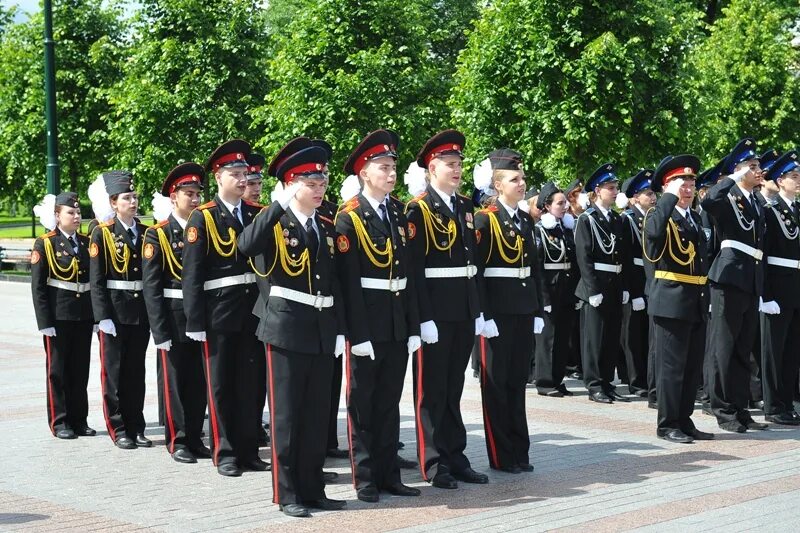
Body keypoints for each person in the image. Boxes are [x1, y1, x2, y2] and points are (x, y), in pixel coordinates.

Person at [238, 144, 347, 518]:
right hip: (285, 328)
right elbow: (245, 245)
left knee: (317, 415)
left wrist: (339, 330)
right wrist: (277, 206)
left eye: (323, 181)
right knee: (286, 417)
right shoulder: (275, 223)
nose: (320, 189)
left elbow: (336, 283)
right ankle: (287, 494)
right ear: (290, 185)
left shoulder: (326, 226)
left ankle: (312, 488)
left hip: (320, 327)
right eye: (311, 182)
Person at [335, 129, 422, 503]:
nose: (391, 174)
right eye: (383, 168)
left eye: (393, 167)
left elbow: (409, 275)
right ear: (364, 174)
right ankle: (366, 477)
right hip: (367, 322)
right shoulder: (349, 218)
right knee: (363, 405)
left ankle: (389, 475)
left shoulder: (399, 214)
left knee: (389, 403)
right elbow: (348, 284)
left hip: (396, 321)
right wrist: (357, 332)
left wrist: (414, 325)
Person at [406, 129, 488, 489]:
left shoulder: (465, 206)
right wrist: (423, 318)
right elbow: (415, 270)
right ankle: (433, 461)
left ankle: (456, 456)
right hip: (435, 312)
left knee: (454, 389)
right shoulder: (419, 209)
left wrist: (478, 309)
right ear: (431, 168)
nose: (457, 170)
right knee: (431, 390)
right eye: (449, 164)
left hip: (462, 309)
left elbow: (473, 264)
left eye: (459, 164)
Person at [181, 139, 266, 475]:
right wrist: (195, 319)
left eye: (244, 172)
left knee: (251, 384)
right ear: (219, 177)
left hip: (254, 311)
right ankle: (226, 452)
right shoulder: (203, 218)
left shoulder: (256, 214)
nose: (243, 179)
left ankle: (249, 450)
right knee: (221, 385)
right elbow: (192, 274)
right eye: (235, 173)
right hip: (219, 312)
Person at [474, 148, 543, 473]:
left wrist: (539, 310)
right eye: (515, 179)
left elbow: (535, 267)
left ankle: (520, 449)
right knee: (497, 384)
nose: (522, 183)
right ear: (498, 185)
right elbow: (479, 272)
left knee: (517, 381)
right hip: (497, 313)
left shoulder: (525, 221)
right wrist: (483, 315)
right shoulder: (485, 220)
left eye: (523, 178)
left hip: (522, 308)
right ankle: (501, 455)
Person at [142, 163, 212, 463]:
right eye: (188, 194)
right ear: (173, 197)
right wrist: (159, 330)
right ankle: (178, 439)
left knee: (199, 380)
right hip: (173, 314)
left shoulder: (205, 228)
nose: (195, 199)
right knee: (175, 381)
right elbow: (152, 287)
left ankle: (196, 436)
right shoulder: (158, 234)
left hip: (201, 315)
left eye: (198, 193)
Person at [643, 155, 714, 443]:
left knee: (690, 367)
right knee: (671, 368)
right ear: (666, 186)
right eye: (680, 181)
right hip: (671, 300)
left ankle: (684, 419)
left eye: (691, 180)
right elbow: (653, 238)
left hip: (695, 298)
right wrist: (666, 200)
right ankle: (667, 423)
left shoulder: (695, 218)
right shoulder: (657, 214)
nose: (688, 186)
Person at [701, 138, 769, 433]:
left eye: (757, 166)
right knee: (724, 348)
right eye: (752, 166)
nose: (758, 171)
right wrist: (731, 177)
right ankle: (723, 409)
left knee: (743, 349)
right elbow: (708, 201)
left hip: (750, 279)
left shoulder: (756, 201)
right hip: (728, 277)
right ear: (739, 171)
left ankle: (741, 408)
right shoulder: (727, 197)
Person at [89, 171, 151, 449]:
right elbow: (97, 279)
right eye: (127, 198)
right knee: (114, 373)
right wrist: (102, 316)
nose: (133, 202)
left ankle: (136, 425)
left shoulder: (147, 232)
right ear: (114, 203)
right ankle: (118, 427)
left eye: (135, 197)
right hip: (115, 311)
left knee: (136, 372)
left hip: (140, 311)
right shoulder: (102, 233)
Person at [31, 192, 95, 439]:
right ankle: (60, 422)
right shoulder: (45, 243)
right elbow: (38, 287)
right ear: (57, 216)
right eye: (71, 212)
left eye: (78, 212)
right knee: (58, 371)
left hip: (82, 315)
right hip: (58, 317)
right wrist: (44, 322)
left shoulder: (87, 242)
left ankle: (80, 419)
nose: (77, 216)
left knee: (80, 370)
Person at [574, 163, 632, 404]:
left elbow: (624, 255)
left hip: (615, 282)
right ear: (598, 190)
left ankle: (607, 382)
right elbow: (584, 257)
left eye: (616, 187)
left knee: (611, 337)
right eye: (611, 187)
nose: (615, 191)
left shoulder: (617, 220)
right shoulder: (587, 219)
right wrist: (592, 289)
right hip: (596, 284)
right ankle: (595, 384)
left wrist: (626, 286)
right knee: (594, 338)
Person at [759, 150, 800, 425]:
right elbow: (762, 255)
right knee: (774, 349)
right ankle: (773, 406)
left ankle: (787, 403)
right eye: (794, 177)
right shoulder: (769, 211)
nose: (798, 181)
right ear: (780, 180)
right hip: (778, 286)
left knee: (791, 350)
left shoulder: (797, 210)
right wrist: (766, 294)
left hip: (796, 287)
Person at [534, 182, 578, 397]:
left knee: (562, 338)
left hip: (566, 288)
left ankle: (558, 379)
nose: (565, 207)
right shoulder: (539, 231)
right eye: (560, 203)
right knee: (548, 338)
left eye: (565, 203)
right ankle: (545, 381)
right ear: (547, 206)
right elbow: (539, 268)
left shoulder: (566, 229)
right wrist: (544, 299)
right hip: (550, 290)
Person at [619, 170, 655, 397]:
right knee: (633, 335)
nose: (652, 198)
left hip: (650, 280)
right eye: (647, 193)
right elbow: (625, 258)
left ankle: (647, 378)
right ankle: (636, 380)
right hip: (635, 281)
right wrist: (633, 291)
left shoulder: (650, 218)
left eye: (653, 193)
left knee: (648, 335)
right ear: (634, 198)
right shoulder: (627, 219)